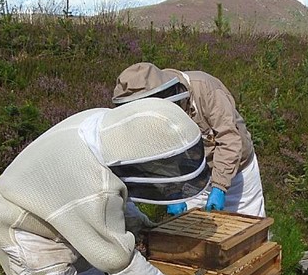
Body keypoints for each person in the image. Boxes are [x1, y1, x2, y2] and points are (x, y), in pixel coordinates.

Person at [0, 98, 209, 275]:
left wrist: (137, 220)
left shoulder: (104, 127)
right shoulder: (93, 186)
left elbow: (116, 187)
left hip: (55, 207)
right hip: (20, 225)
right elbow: (116, 258)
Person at [112, 62, 266, 217]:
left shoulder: (206, 89)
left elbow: (230, 140)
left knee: (250, 228)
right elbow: (158, 155)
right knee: (196, 233)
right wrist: (171, 192)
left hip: (237, 173)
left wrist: (219, 186)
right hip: (192, 177)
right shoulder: (145, 118)